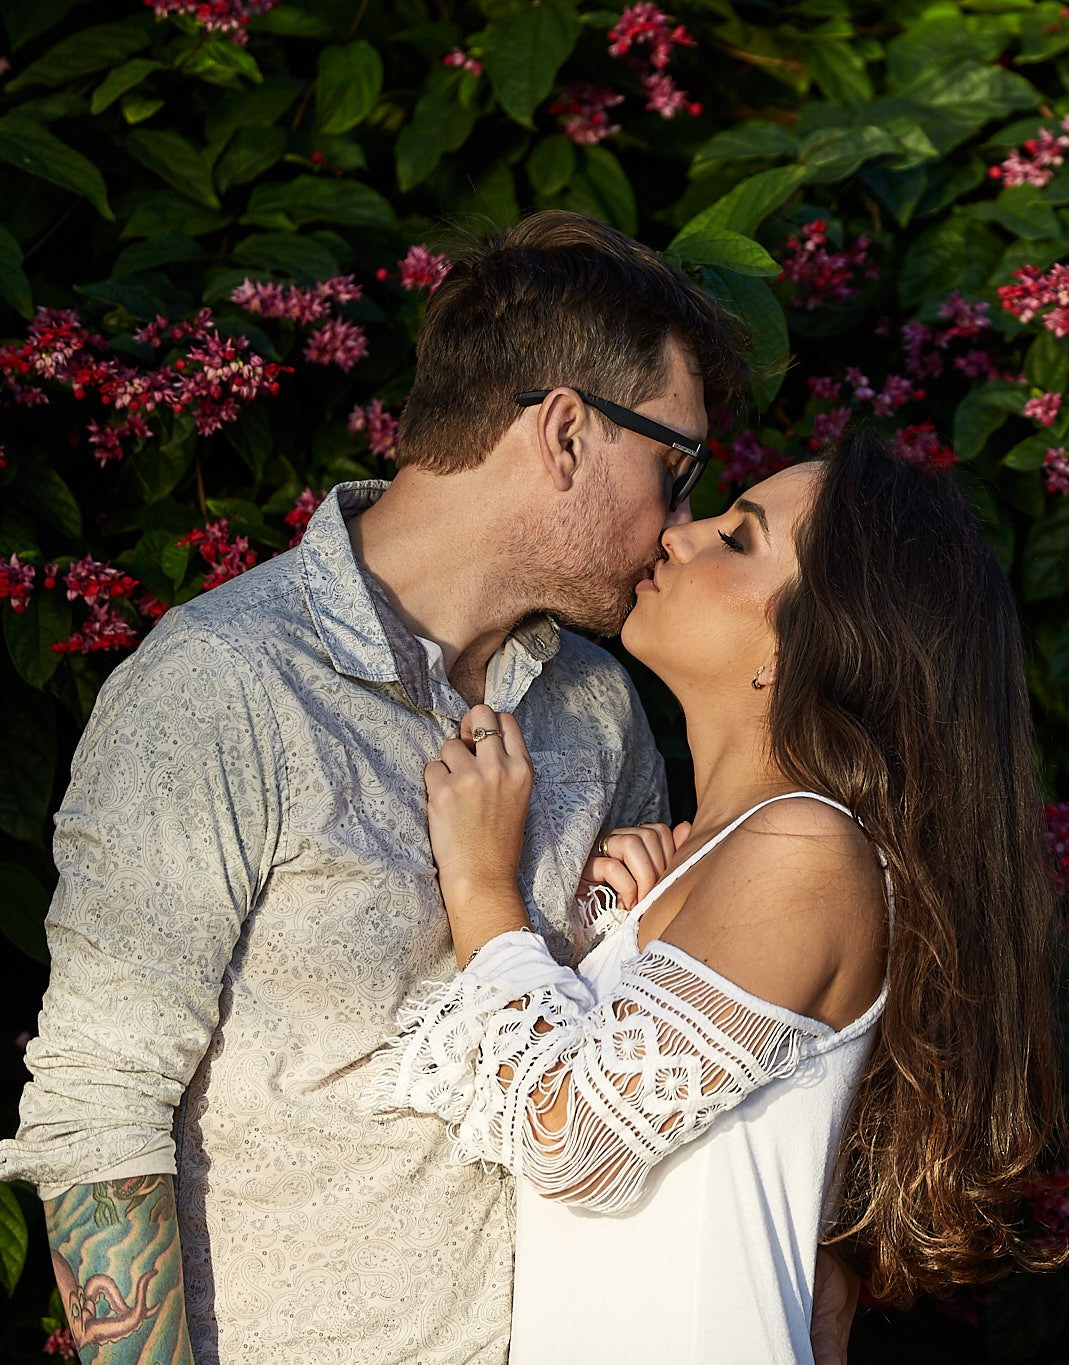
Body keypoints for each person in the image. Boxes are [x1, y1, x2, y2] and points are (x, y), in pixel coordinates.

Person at [0, 210, 767, 1363]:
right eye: (674, 463)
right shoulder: (224, 684)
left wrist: (648, 917)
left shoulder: (596, 708)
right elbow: (98, 1108)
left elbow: (623, 1082)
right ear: (565, 434)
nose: (677, 522)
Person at [367, 430, 1069, 1363]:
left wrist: (482, 883)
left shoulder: (807, 847)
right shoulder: (742, 854)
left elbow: (571, 1140)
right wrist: (629, 939)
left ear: (802, 647)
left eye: (738, 539)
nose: (680, 534)